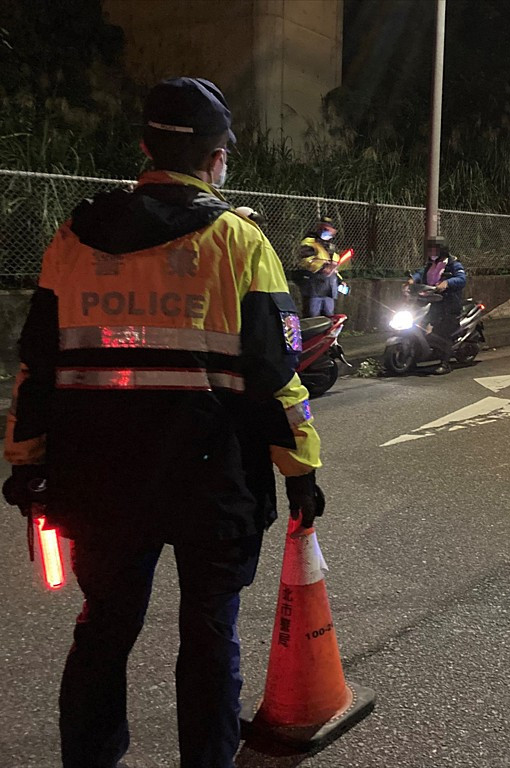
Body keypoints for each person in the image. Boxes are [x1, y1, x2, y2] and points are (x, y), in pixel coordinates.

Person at [2, 76, 324, 768]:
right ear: (216, 159)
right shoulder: (239, 243)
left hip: (98, 479)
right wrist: (301, 470)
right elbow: (275, 374)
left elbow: (38, 363)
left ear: (146, 147)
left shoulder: (74, 234)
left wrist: (26, 460)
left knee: (104, 629)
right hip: (213, 484)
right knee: (210, 634)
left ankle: (91, 758)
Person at [406, 235, 467, 375]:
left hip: (448, 304)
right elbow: (420, 273)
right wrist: (412, 280)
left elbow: (462, 279)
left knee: (443, 332)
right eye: (430, 250)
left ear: (442, 250)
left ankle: (445, 364)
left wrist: (448, 283)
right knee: (418, 325)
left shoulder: (453, 265)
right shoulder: (430, 265)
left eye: (434, 250)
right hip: (431, 303)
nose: (431, 253)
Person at [296, 218, 343, 316]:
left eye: (329, 229)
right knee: (313, 317)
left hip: (329, 289)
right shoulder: (310, 242)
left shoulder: (331, 247)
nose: (327, 232)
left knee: (329, 317)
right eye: (324, 228)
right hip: (314, 288)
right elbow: (306, 260)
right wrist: (322, 268)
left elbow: (334, 267)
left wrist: (339, 280)